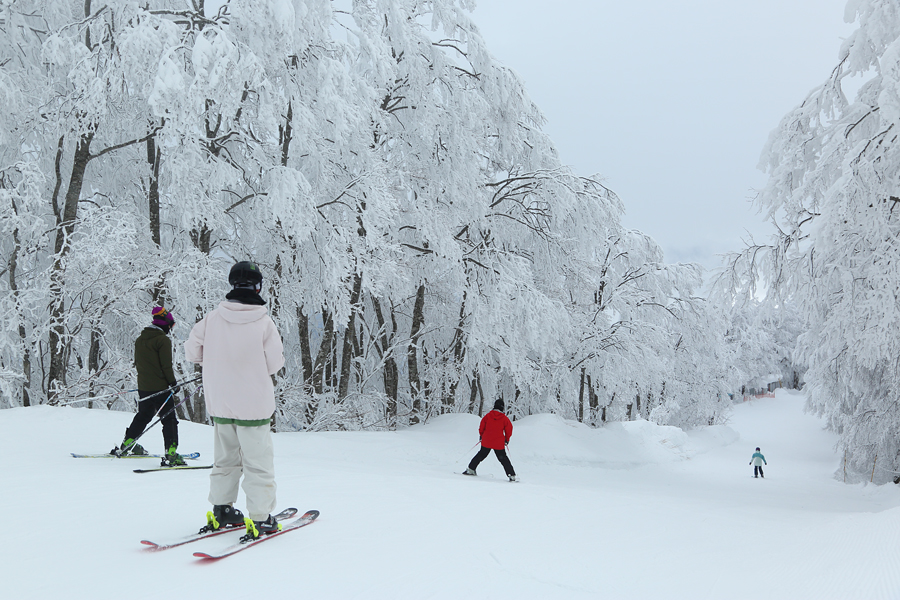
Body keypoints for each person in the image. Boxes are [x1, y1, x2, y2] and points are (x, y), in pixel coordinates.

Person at [185, 261, 285, 538]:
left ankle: (222, 509)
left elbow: (192, 352)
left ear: (232, 285)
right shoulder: (264, 323)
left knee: (225, 460)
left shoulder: (211, 319)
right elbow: (274, 363)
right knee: (258, 461)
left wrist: (217, 361)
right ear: (258, 286)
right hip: (253, 406)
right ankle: (261, 517)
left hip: (221, 402)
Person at [113, 306, 185, 466]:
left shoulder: (140, 339)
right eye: (171, 326)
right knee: (169, 419)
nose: (171, 329)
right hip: (161, 389)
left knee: (143, 416)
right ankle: (171, 453)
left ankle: (127, 444)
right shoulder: (162, 340)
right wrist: (173, 384)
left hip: (144, 387)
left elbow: (139, 364)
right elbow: (166, 366)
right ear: (165, 324)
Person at [464, 399, 518, 482]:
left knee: (481, 455)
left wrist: (481, 436)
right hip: (498, 443)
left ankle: (471, 469)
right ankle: (511, 475)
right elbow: (509, 430)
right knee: (503, 459)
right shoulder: (504, 419)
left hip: (486, 441)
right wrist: (507, 439)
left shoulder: (487, 416)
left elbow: (481, 427)